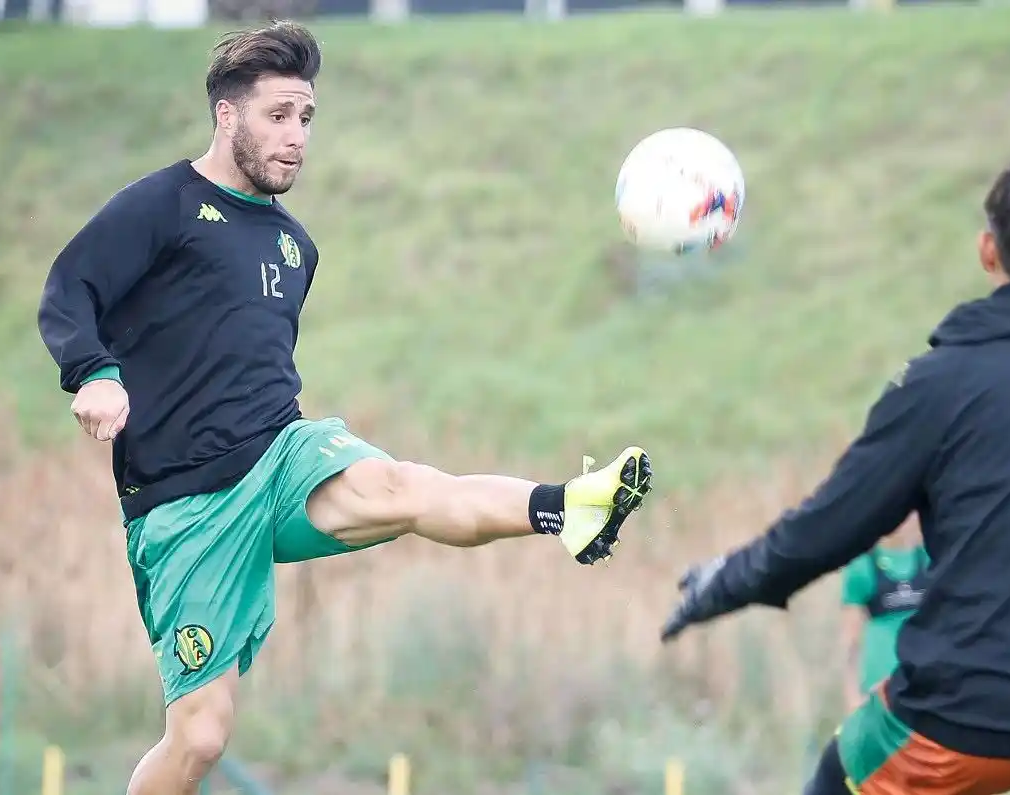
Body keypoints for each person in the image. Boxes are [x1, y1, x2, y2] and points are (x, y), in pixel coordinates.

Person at [36, 20, 653, 795]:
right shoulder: (163, 205)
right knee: (199, 737)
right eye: (278, 116)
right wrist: (94, 372)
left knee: (401, 488)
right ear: (228, 116)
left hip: (282, 455)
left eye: (306, 118)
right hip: (184, 505)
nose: (296, 137)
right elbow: (69, 290)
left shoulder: (296, 245)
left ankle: (569, 507)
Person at [658, 153, 1010, 795]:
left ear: (988, 250)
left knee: (833, 777)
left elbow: (829, 527)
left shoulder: (936, 388)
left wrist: (721, 584)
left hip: (959, 720)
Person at [840, 514, 929, 714]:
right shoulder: (863, 566)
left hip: (924, 683)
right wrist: (851, 696)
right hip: (879, 683)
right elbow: (849, 641)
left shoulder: (929, 559)